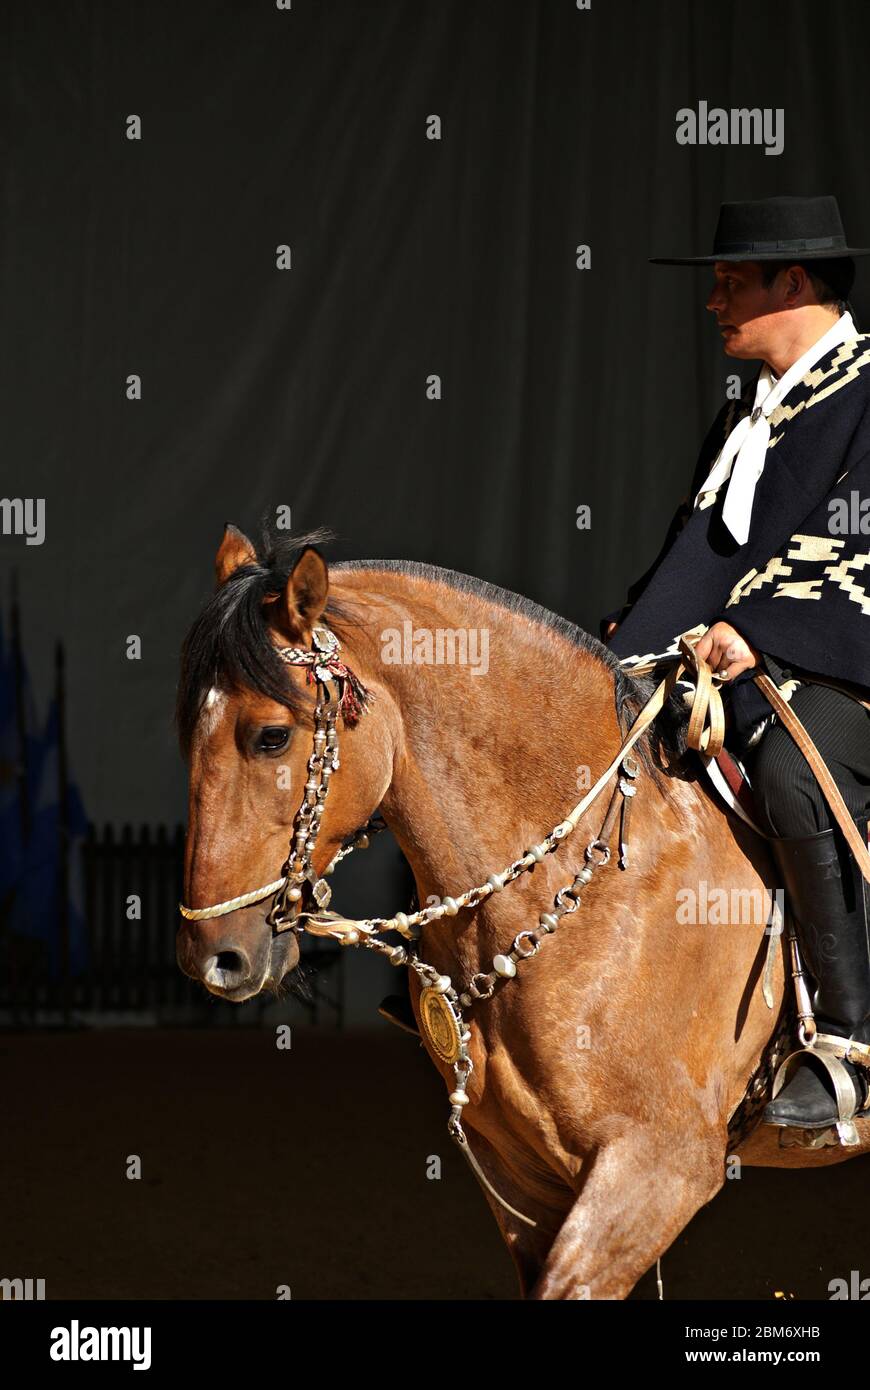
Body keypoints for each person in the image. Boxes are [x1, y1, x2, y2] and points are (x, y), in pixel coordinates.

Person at [602, 195, 870, 1132]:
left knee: (798, 773)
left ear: (793, 283)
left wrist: (762, 628)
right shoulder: (744, 420)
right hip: (742, 661)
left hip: (841, 666)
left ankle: (846, 1043)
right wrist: (622, 641)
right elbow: (698, 555)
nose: (714, 302)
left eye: (731, 284)